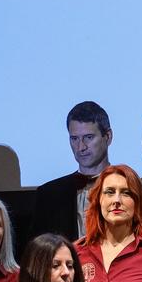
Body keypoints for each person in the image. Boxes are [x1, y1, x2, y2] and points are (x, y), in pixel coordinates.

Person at [31, 101, 115, 241]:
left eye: (89, 137)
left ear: (108, 136)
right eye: (74, 139)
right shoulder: (48, 196)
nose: (81, 147)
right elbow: (38, 250)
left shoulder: (136, 192)